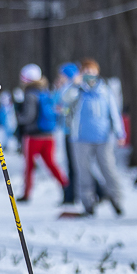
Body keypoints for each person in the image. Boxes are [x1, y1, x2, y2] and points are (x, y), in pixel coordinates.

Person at [61, 59, 127, 216]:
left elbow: (114, 113)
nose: (89, 75)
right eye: (86, 71)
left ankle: (116, 199)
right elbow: (65, 99)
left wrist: (119, 132)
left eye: (92, 71)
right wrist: (75, 84)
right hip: (80, 138)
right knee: (83, 172)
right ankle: (88, 203)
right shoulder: (77, 90)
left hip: (103, 137)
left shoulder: (105, 91)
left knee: (108, 169)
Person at [15, 64, 67, 202]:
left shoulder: (30, 93)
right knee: (51, 164)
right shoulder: (45, 91)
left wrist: (18, 117)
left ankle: (26, 194)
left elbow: (28, 116)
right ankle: (66, 187)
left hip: (33, 136)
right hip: (49, 135)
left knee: (29, 166)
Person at [53, 62, 81, 204]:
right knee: (72, 164)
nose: (60, 77)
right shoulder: (65, 88)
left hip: (73, 132)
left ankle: (71, 196)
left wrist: (62, 109)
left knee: (75, 164)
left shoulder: (74, 89)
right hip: (67, 130)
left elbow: (66, 108)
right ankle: (71, 195)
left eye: (62, 75)